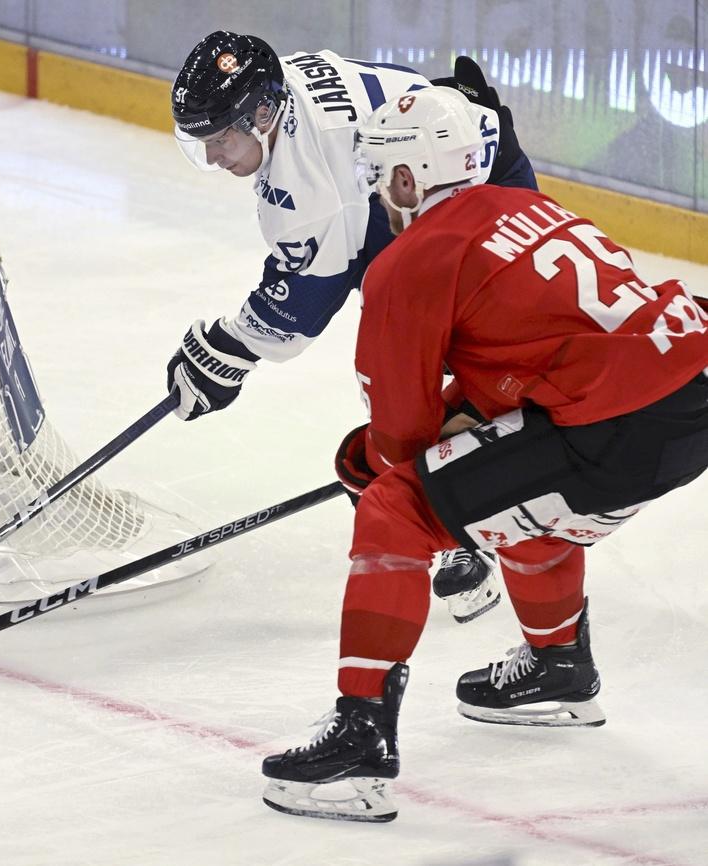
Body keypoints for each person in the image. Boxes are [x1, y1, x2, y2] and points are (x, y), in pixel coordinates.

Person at [259, 87, 708, 823]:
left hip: (617, 431)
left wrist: (372, 462)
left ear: (410, 179)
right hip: (689, 402)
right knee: (521, 487)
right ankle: (558, 669)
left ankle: (359, 742)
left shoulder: (410, 261)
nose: (380, 194)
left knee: (394, 511)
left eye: (384, 177)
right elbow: (535, 365)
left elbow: (401, 442)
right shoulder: (527, 207)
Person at [166, 32, 536, 622]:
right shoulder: (274, 89)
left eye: (221, 139)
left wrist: (229, 349)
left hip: (465, 182)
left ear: (262, 115)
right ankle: (451, 498)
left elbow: (305, 305)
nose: (213, 157)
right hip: (413, 180)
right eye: (202, 142)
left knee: (444, 368)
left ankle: (464, 521)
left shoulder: (309, 188)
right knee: (403, 371)